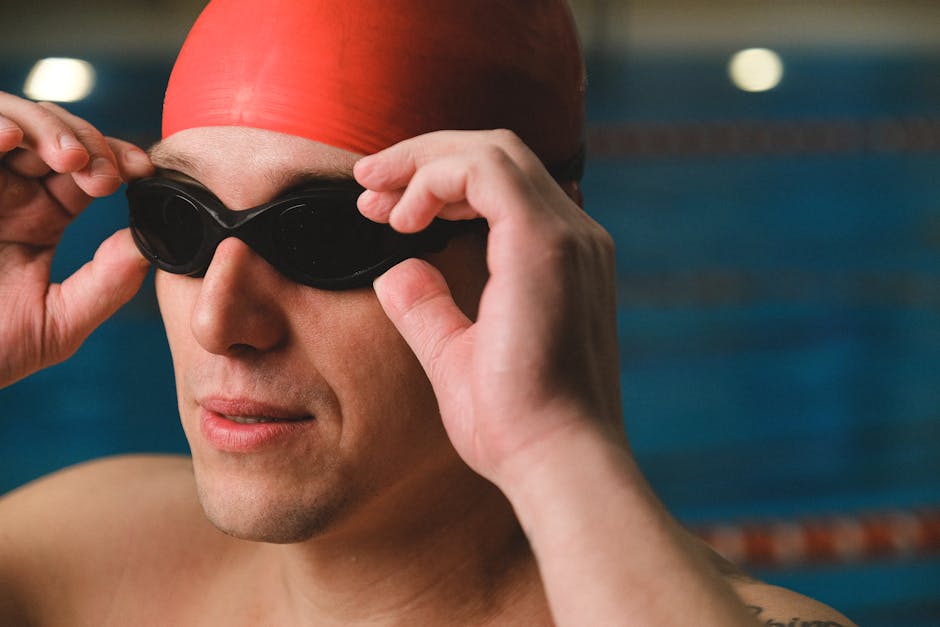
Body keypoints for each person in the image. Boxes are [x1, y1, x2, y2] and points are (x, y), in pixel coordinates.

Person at [0, 1, 856, 625]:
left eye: (327, 235)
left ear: (523, 251)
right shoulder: (81, 555)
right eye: (179, 220)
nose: (218, 322)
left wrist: (557, 449)